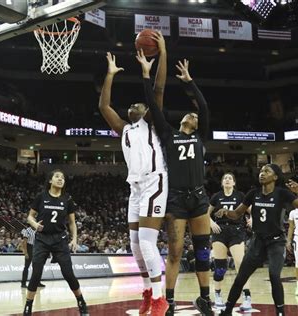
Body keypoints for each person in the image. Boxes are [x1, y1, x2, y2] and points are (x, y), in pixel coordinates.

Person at [137, 51, 213, 315]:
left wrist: (189, 82)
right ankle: (168, 301)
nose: (193, 115)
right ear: (182, 121)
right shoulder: (168, 134)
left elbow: (203, 107)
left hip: (199, 198)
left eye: (195, 116)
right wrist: (146, 74)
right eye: (190, 114)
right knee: (175, 253)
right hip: (177, 200)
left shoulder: (201, 136)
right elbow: (154, 107)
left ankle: (205, 298)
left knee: (204, 252)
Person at [98, 32, 169, 315]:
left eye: (138, 104)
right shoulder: (124, 129)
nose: (133, 106)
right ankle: (148, 291)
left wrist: (162, 53)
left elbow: (159, 89)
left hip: (155, 181)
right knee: (135, 246)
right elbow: (104, 106)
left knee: (148, 243)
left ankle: (160, 298)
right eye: (131, 106)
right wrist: (111, 74)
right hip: (136, 188)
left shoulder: (151, 122)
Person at [216, 164, 298, 316]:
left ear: (275, 177)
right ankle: (227, 312)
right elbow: (236, 214)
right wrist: (226, 212)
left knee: (274, 275)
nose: (262, 173)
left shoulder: (282, 193)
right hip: (257, 242)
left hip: (276, 242)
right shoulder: (253, 193)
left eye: (267, 171)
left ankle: (280, 313)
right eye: (261, 171)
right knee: (240, 278)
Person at [22, 170, 88, 316]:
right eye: (57, 177)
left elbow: (72, 223)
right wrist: (34, 225)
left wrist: (74, 239)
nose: (60, 179)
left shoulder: (67, 199)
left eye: (63, 178)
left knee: (68, 274)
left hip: (60, 239)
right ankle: (28, 307)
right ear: (50, 180)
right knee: (36, 274)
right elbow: (29, 217)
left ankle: (81, 301)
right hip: (42, 239)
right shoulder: (41, 196)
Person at [208, 173, 252, 311]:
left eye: (230, 178)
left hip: (236, 231)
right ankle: (218, 295)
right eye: (225, 178)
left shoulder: (240, 196)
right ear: (222, 183)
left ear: (234, 183)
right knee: (220, 267)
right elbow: (205, 213)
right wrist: (211, 223)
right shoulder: (216, 196)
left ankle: (246, 297)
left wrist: (252, 219)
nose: (227, 180)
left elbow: (252, 210)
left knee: (241, 265)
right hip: (219, 232)